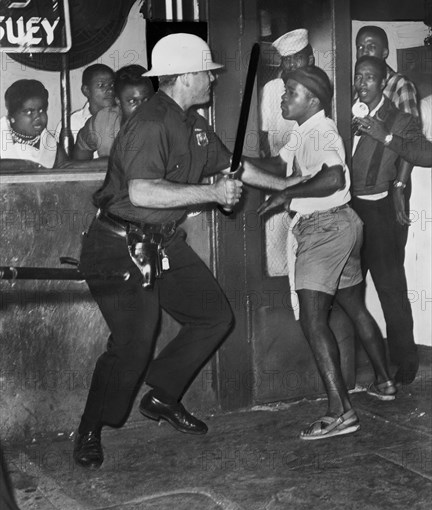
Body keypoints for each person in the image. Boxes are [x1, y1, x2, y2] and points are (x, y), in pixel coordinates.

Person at [73, 33, 309, 469]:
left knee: (214, 316)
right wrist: (211, 193)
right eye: (206, 72)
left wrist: (289, 185)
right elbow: (142, 191)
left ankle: (161, 396)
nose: (212, 80)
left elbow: (231, 166)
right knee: (132, 343)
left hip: (160, 242)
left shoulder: (193, 122)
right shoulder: (150, 123)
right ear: (185, 76)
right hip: (118, 245)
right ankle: (89, 427)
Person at [258, 65, 396, 440]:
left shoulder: (322, 132)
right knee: (353, 305)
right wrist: (232, 164)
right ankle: (385, 382)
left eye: (290, 92)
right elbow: (277, 164)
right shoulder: (303, 131)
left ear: (313, 100)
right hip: (345, 224)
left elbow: (334, 176)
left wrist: (288, 193)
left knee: (312, 318)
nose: (283, 97)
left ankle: (340, 411)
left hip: (323, 230)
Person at [351, 56, 432, 386]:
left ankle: (406, 361)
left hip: (380, 214)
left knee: (391, 290)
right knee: (350, 290)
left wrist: (385, 136)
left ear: (383, 81)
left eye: (370, 78)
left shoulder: (398, 119)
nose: (362, 83)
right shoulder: (346, 110)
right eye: (358, 76)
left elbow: (425, 154)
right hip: (349, 211)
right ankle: (354, 361)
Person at [72, 65, 155, 161]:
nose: (141, 108)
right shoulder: (102, 121)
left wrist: (105, 162)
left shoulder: (164, 121)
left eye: (146, 99)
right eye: (132, 101)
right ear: (118, 101)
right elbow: (77, 163)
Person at [259, 28, 314, 161]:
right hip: (278, 163)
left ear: (310, 60)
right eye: (287, 59)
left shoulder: (317, 89)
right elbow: (264, 131)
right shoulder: (271, 88)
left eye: (298, 57)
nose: (291, 64)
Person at [0, 79, 68, 170]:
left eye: (41, 110)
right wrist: (23, 165)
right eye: (29, 112)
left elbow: (67, 179)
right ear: (12, 117)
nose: (38, 117)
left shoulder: (53, 147)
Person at [54, 63, 115, 143]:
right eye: (101, 85)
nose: (110, 90)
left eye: (112, 85)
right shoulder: (70, 124)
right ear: (86, 90)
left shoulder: (122, 119)